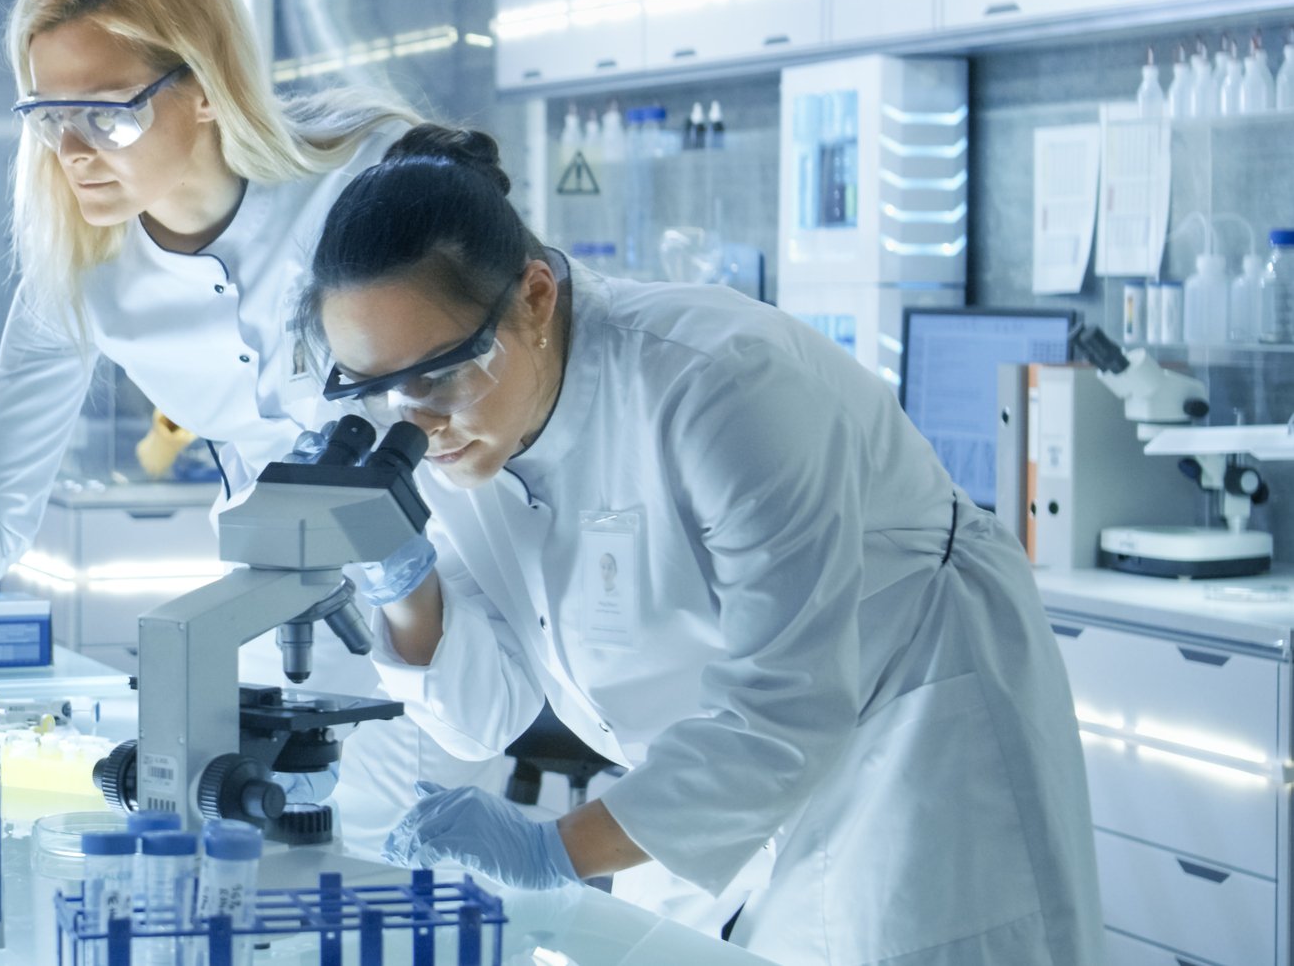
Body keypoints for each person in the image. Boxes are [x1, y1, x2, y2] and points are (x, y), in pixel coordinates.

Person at [303, 124, 1103, 965]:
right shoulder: (441, 433)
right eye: (377, 387)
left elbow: (781, 714)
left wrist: (552, 850)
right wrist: (404, 581)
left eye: (440, 372)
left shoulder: (720, 384)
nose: (416, 421)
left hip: (905, 719)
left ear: (535, 298)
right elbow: (482, 716)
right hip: (691, 769)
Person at [0, 0, 509, 846]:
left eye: (108, 113)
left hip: (461, 565)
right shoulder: (80, 272)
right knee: (291, 868)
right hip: (290, 610)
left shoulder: (366, 178)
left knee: (435, 852)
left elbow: (512, 370)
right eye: (49, 116)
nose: (72, 151)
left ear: (204, 89)